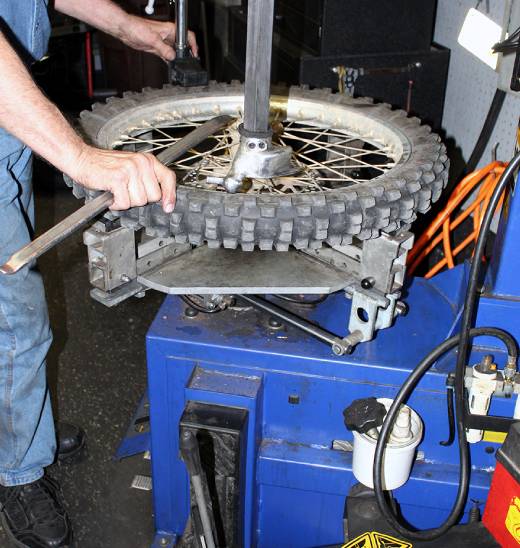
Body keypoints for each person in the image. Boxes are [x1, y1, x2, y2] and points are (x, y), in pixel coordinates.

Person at [0, 1, 197, 546]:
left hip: (8, 110)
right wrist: (78, 156)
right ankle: (16, 470)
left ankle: (17, 430)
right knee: (16, 326)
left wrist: (128, 27)